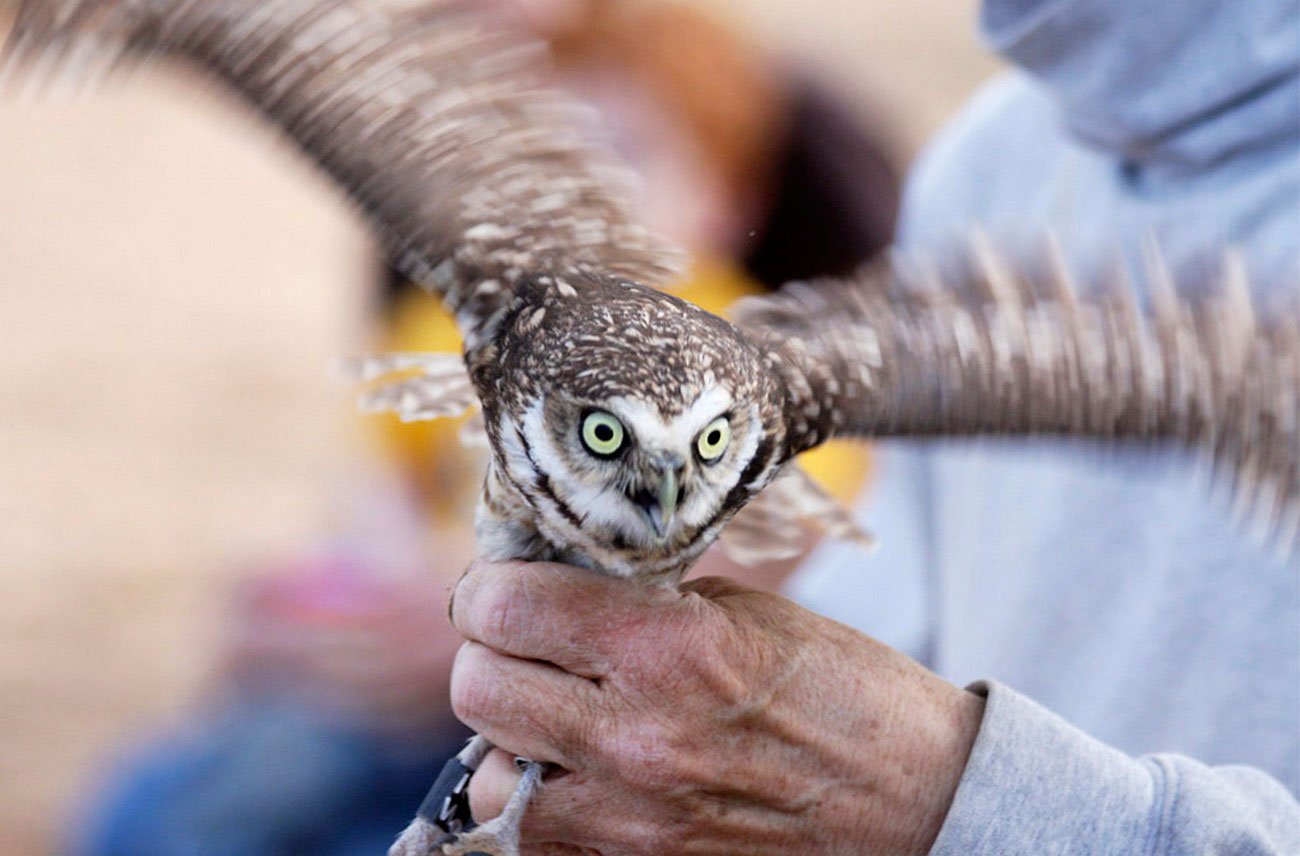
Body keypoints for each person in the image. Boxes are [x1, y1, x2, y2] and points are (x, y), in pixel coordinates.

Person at [447, 0, 1300, 852]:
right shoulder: (992, 157)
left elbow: (879, 768)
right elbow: (896, 609)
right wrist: (656, 731)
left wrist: (949, 802)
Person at [72, 3, 898, 853]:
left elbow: (792, 531)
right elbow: (376, 485)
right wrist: (351, 598)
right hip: (406, 683)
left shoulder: (747, 350)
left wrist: (491, 609)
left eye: (622, 155)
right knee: (159, 801)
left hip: (582, 708)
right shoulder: (450, 328)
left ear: (729, 195)